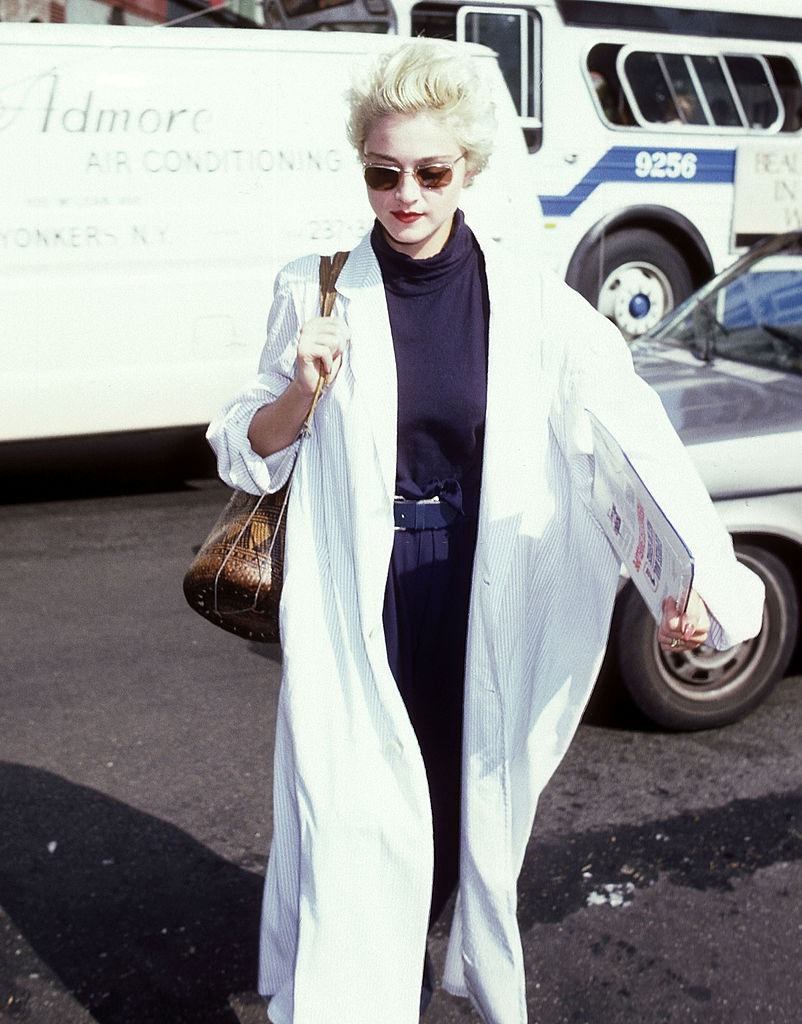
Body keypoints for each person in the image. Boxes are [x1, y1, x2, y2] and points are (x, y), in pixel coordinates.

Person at [207, 40, 765, 1024]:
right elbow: (246, 451)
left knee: (461, 808)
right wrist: (300, 388)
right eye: (384, 173)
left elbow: (629, 435)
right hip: (357, 596)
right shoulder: (316, 285)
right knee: (350, 820)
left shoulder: (530, 302)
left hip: (479, 592)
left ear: (467, 168)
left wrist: (696, 583)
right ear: (363, 169)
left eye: (431, 171)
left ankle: (439, 955)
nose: (406, 195)